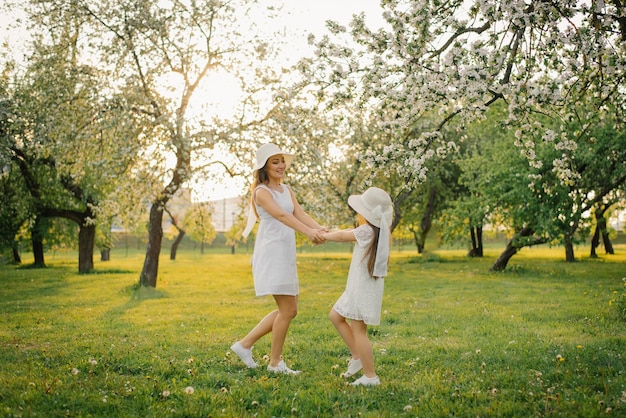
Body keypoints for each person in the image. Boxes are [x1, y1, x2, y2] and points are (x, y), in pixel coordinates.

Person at [231, 143, 327, 375]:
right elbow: (282, 215)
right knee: (288, 309)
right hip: (272, 252)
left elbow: (298, 213)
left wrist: (321, 229)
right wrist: (308, 233)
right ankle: (274, 363)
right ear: (265, 166)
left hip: (285, 252)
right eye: (275, 162)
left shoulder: (287, 189)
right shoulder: (261, 192)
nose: (281, 165)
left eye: (282, 161)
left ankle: (244, 345)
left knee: (288, 309)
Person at [322, 187, 393, 386]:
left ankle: (371, 376)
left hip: (362, 288)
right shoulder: (375, 230)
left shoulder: (368, 230)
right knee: (335, 315)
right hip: (357, 286)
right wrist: (327, 232)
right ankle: (357, 357)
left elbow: (344, 236)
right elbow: (347, 233)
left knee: (359, 331)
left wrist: (324, 236)